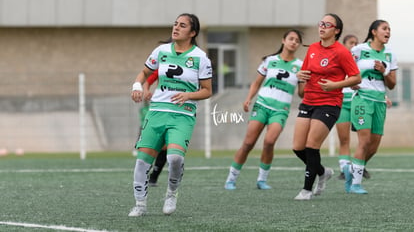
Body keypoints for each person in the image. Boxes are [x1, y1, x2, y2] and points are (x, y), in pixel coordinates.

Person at [128, 13, 213, 216]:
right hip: (156, 112)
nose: (176, 28)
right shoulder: (161, 51)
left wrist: (188, 95)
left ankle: (171, 194)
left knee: (175, 158)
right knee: (142, 161)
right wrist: (137, 85)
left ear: (192, 33)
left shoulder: (201, 58)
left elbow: (207, 90)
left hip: (182, 115)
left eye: (182, 25)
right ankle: (140, 205)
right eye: (175, 24)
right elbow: (144, 73)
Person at [224, 29, 305, 190]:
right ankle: (231, 179)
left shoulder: (300, 66)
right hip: (261, 105)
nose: (294, 42)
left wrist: (305, 81)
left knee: (269, 142)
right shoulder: (270, 61)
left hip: (280, 110)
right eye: (291, 38)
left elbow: (302, 94)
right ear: (283, 40)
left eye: (297, 40)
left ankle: (262, 180)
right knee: (248, 143)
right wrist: (248, 99)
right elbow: (256, 83)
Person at [292, 13, 361, 200]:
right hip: (309, 101)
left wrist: (335, 85)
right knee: (298, 148)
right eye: (320, 23)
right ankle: (323, 172)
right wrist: (300, 77)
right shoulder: (313, 48)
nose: (322, 27)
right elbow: (304, 74)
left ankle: (306, 190)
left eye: (327, 25)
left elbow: (356, 77)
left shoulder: (341, 52)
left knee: (311, 146)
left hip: (329, 104)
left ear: (336, 31)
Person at [343, 19, 398, 194]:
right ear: (374, 32)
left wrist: (383, 71)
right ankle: (355, 184)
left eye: (389, 29)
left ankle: (351, 170)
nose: (388, 31)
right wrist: (348, 82)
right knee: (364, 141)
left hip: (380, 102)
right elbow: (345, 70)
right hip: (362, 99)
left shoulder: (390, 55)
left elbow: (392, 85)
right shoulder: (358, 50)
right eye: (384, 28)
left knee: (373, 147)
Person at [137, 69, 168, 187]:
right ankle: (144, 178)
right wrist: (145, 90)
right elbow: (148, 79)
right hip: (161, 108)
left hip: (179, 111)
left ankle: (154, 177)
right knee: (151, 147)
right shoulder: (163, 64)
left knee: (167, 148)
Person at [336, 34, 359, 179]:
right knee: (344, 139)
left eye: (356, 43)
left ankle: (357, 167)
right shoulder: (338, 59)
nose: (354, 45)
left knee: (365, 139)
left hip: (359, 102)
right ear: (344, 45)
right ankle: (344, 170)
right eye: (351, 43)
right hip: (342, 103)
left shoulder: (361, 61)